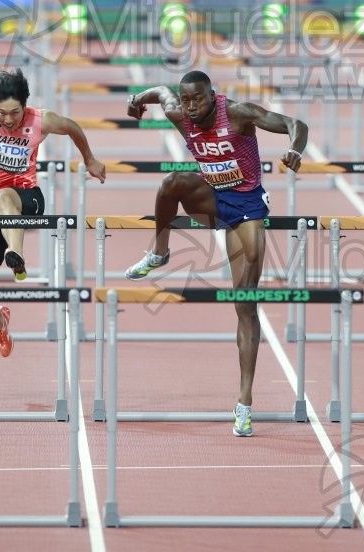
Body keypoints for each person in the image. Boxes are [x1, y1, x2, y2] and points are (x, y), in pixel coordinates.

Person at [124, 70, 307, 437]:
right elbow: (161, 92)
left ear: (212, 95)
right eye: (186, 99)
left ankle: (244, 403)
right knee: (171, 183)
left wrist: (293, 149)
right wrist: (136, 100)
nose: (190, 106)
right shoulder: (180, 112)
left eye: (197, 99)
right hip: (210, 198)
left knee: (245, 303)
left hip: (246, 208)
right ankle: (159, 253)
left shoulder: (237, 113)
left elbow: (294, 123)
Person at [0, 68, 106, 358]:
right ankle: (0, 324)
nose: (9, 120)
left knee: (5, 196)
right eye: (2, 113)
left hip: (29, 199)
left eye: (15, 112)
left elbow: (72, 127)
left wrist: (90, 159)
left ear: (25, 105)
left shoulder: (41, 119)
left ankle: (17, 253)